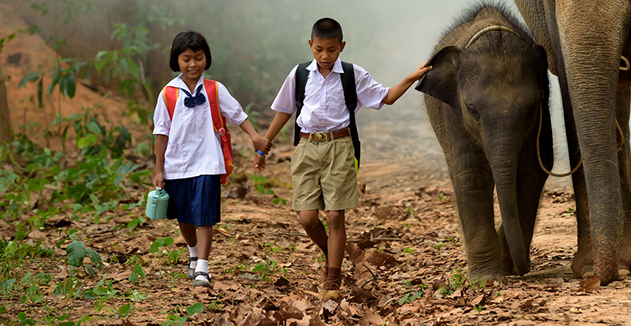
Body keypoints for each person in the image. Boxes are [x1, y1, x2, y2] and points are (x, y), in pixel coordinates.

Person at [256, 17, 430, 294]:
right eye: (319, 50)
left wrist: (411, 77)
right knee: (307, 218)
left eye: (332, 50)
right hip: (306, 148)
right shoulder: (300, 74)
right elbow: (285, 110)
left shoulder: (352, 75)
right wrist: (264, 143)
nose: (325, 56)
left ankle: (332, 278)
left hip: (340, 147)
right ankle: (332, 253)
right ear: (310, 45)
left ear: (342, 47)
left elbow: (386, 97)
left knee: (336, 216)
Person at [153, 30, 270, 288]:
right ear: (176, 61)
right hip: (177, 164)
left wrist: (255, 137)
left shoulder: (215, 89)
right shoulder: (168, 94)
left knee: (205, 215)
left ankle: (203, 268)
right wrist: (159, 169)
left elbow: (238, 114)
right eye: (186, 59)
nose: (193, 64)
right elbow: (161, 133)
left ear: (206, 59)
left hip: (209, 161)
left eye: (198, 57)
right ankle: (193, 253)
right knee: (183, 216)